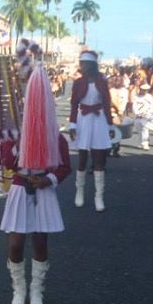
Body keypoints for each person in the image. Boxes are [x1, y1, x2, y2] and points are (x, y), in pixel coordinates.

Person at [1, 133, 71, 304]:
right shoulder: (13, 135)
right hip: (19, 188)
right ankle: (19, 289)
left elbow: (65, 166)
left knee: (40, 241)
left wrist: (48, 179)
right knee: (16, 243)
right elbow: (7, 163)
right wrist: (18, 143)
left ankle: (37, 289)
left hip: (43, 187)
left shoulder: (55, 135)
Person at [69, 50, 113, 212]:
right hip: (83, 120)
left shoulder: (102, 81)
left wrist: (110, 125)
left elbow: (107, 103)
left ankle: (98, 196)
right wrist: (72, 125)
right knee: (82, 159)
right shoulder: (78, 82)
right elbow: (74, 105)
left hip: (99, 119)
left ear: (93, 65)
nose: (83, 66)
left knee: (99, 159)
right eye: (82, 64)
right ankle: (79, 192)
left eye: (86, 64)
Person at [132, 84, 153, 150]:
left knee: (145, 129)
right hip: (138, 116)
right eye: (143, 90)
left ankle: (145, 144)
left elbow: (151, 106)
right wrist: (138, 114)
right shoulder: (136, 97)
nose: (144, 91)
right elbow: (134, 106)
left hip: (146, 115)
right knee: (139, 129)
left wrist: (147, 114)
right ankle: (140, 143)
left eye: (146, 90)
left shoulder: (149, 97)